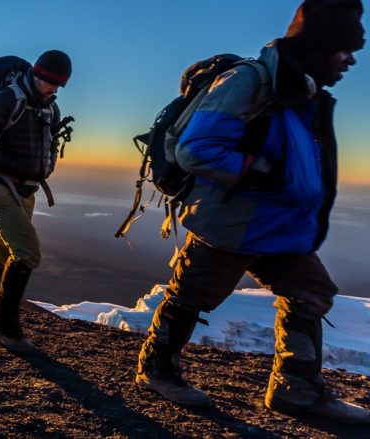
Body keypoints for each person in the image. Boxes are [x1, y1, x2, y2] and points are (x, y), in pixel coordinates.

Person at [134, 0, 368, 423]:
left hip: (282, 227)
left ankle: (296, 390)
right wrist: (259, 172)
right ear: (319, 45)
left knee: (312, 293)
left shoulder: (300, 90)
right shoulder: (250, 81)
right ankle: (156, 369)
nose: (351, 59)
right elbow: (195, 149)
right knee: (191, 296)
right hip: (232, 224)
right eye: (344, 49)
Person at [0, 50, 72, 355]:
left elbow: (51, 143)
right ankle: (8, 328)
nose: (53, 89)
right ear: (35, 75)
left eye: (58, 85)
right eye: (49, 82)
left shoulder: (51, 108)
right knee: (27, 253)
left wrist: (46, 167)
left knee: (0, 253)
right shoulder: (7, 99)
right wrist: (14, 167)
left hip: (27, 189)